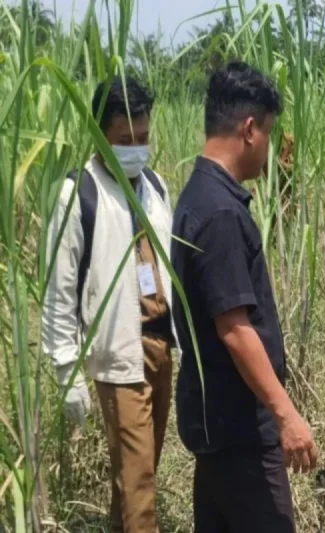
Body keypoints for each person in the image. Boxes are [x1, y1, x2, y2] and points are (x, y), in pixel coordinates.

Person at [169, 60, 317, 533]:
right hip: (241, 431)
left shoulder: (198, 196)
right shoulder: (220, 214)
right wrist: (286, 415)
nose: (269, 150)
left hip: (217, 421)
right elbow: (234, 328)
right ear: (250, 130)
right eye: (270, 135)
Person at [41, 75, 177, 532]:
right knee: (140, 489)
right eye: (125, 140)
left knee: (136, 479)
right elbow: (59, 289)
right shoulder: (78, 193)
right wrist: (66, 368)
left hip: (161, 349)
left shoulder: (155, 187)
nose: (136, 149)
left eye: (144, 137)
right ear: (101, 135)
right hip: (121, 354)